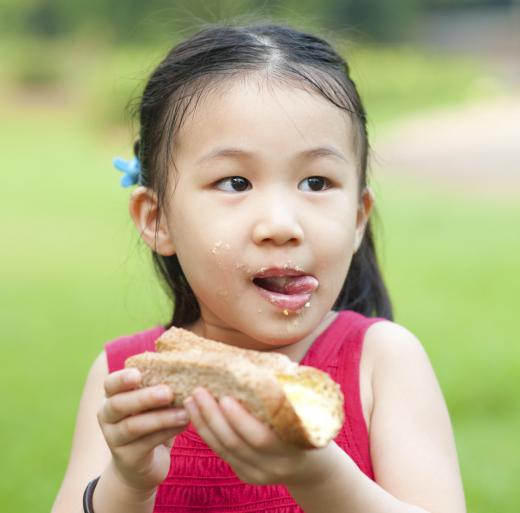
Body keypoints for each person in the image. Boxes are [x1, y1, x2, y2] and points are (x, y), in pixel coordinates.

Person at [51, 22, 466, 513]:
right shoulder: (128, 377)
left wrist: (318, 476)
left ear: (358, 217)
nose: (281, 224)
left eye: (315, 182)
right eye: (234, 182)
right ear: (157, 219)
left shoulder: (382, 362)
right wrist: (128, 480)